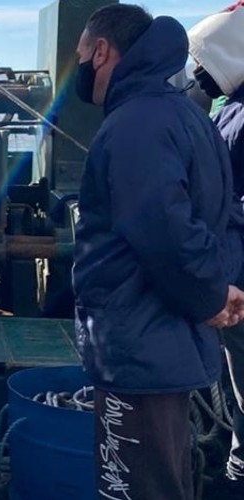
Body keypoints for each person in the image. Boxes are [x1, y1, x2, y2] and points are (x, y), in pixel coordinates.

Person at [72, 5, 244, 498]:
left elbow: (163, 231)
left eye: (81, 53)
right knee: (166, 479)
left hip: (137, 350)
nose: (79, 65)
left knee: (135, 487)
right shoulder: (190, 116)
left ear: (101, 50)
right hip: (168, 346)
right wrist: (221, 287)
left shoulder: (134, 124)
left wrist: (211, 295)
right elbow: (224, 218)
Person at [189, 7, 244, 495]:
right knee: (228, 373)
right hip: (228, 265)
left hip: (237, 272)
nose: (199, 73)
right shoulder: (230, 108)